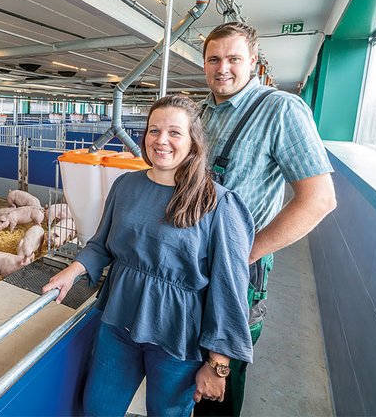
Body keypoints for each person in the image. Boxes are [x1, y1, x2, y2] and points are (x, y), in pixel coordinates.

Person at [43, 95, 255, 417]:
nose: (161, 141)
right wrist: (73, 270)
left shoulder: (217, 203)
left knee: (167, 413)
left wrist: (218, 363)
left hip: (178, 335)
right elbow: (101, 244)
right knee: (98, 408)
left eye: (174, 132)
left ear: (193, 141)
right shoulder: (126, 185)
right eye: (153, 131)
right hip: (119, 317)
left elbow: (229, 289)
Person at [195, 22, 337, 416]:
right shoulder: (204, 112)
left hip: (238, 266)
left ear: (253, 62)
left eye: (234, 59)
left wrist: (247, 254)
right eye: (214, 59)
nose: (223, 68)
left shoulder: (281, 110)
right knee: (189, 369)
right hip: (193, 259)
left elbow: (319, 200)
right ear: (204, 63)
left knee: (219, 376)